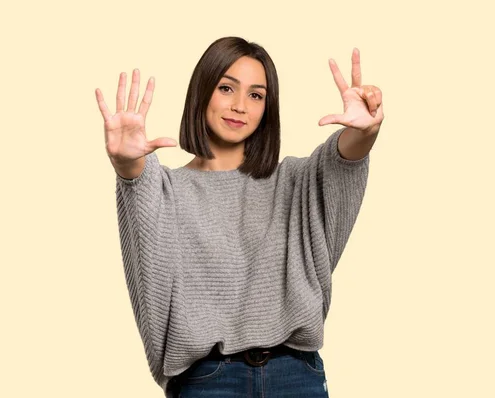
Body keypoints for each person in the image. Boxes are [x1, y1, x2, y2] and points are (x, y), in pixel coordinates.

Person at [94, 36, 383, 397]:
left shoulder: (295, 181)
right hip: (209, 381)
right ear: (202, 91)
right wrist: (126, 161)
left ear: (267, 107)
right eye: (226, 88)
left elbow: (344, 160)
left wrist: (364, 131)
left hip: (296, 376)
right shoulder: (166, 189)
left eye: (256, 95)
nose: (239, 106)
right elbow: (138, 187)